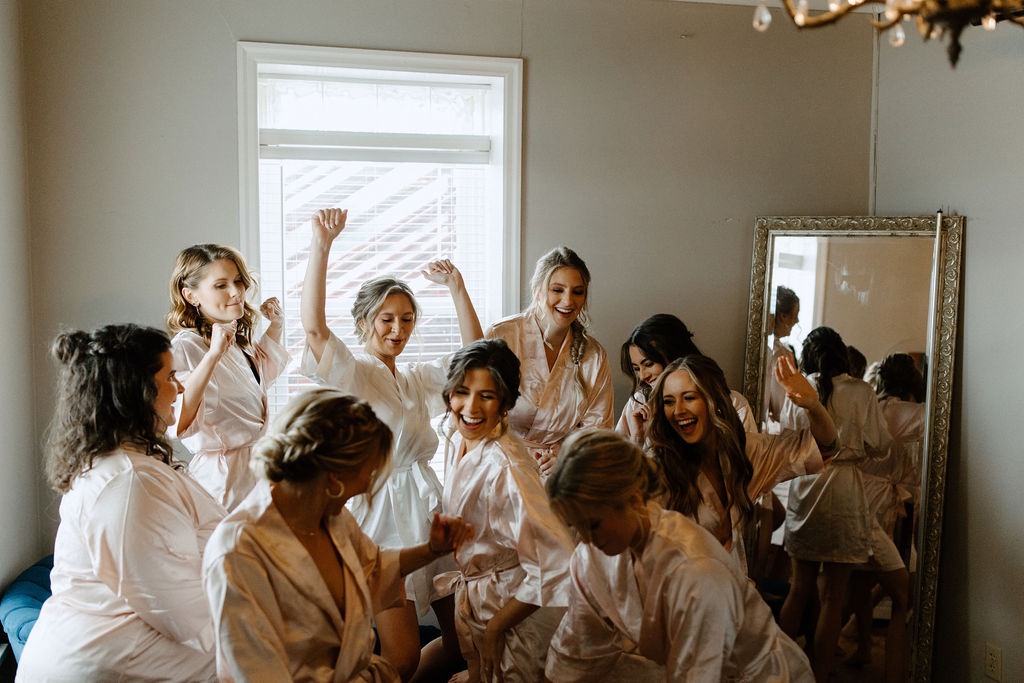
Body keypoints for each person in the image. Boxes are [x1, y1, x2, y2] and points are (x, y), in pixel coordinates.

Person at [301, 207, 482, 679]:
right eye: (386, 320)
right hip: (379, 518)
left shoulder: (417, 379)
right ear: (364, 321)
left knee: (465, 643)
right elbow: (316, 329)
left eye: (406, 320)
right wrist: (322, 246)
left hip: (426, 510)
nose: (397, 330)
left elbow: (475, 357)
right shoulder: (354, 374)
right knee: (399, 655)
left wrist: (457, 290)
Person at [203, 389, 473, 682]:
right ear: (334, 474)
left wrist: (432, 550)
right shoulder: (238, 552)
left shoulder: (329, 516)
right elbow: (258, 671)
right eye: (368, 474)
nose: (367, 488)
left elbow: (373, 568)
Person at [17, 324, 224, 682]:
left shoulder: (133, 464)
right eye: (170, 376)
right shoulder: (129, 482)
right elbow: (183, 613)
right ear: (136, 391)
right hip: (107, 664)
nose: (180, 388)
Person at [544, 429, 814, 682]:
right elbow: (579, 647)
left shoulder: (694, 568)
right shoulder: (591, 557)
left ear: (633, 499)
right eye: (576, 526)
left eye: (593, 524)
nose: (587, 539)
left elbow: (700, 672)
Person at [435, 339, 574, 682]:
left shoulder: (507, 468)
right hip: (481, 600)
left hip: (516, 612)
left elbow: (556, 562)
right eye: (462, 391)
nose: (470, 407)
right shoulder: (459, 440)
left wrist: (497, 628)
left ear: (506, 403)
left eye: (487, 395)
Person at [777, 327, 906, 683]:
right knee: (834, 595)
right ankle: (819, 673)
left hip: (806, 485)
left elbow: (786, 433)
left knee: (799, 588)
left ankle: (779, 671)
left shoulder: (799, 389)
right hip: (844, 490)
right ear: (841, 354)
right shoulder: (862, 392)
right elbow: (879, 445)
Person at [644, 354, 838, 574]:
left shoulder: (746, 452)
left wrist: (813, 405)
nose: (678, 410)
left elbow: (825, 448)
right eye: (669, 401)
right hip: (679, 598)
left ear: (714, 400)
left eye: (688, 398)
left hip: (730, 592)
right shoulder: (657, 469)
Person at [167, 243, 289, 511]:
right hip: (222, 481)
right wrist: (212, 356)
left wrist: (276, 326)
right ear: (191, 296)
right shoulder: (186, 346)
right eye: (221, 285)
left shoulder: (234, 341)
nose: (236, 292)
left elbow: (257, 383)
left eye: (238, 281)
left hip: (258, 470)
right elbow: (178, 421)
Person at [485, 246, 613, 478]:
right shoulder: (502, 335)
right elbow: (478, 409)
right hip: (500, 468)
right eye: (557, 290)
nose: (568, 301)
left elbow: (599, 429)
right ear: (537, 291)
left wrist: (566, 454)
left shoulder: (593, 355)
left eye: (578, 292)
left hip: (562, 473)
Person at [617, 313, 756, 444]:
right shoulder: (638, 404)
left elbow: (747, 461)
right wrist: (637, 439)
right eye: (636, 369)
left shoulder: (734, 404)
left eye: (649, 364)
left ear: (676, 355)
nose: (643, 376)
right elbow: (614, 466)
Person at [764, 286, 800, 432]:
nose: (797, 320)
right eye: (795, 314)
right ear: (783, 316)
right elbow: (782, 408)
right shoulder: (782, 355)